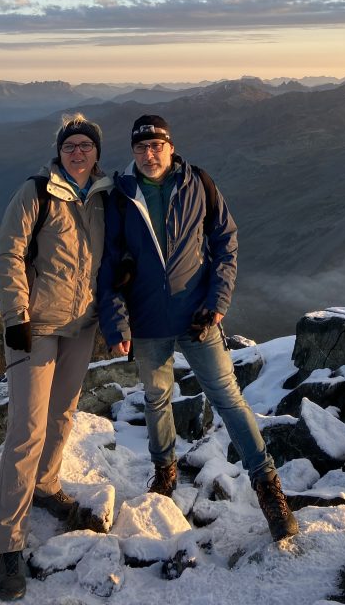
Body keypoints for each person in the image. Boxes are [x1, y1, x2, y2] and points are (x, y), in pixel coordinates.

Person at [97, 114, 298, 542]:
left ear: (170, 147)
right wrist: (116, 324)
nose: (149, 155)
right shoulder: (120, 195)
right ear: (132, 152)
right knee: (156, 399)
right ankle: (165, 472)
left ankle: (268, 486)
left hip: (197, 317)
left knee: (228, 399)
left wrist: (218, 301)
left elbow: (226, 240)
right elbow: (109, 266)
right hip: (147, 321)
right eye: (141, 147)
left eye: (156, 146)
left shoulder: (198, 183)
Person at [0, 114, 113, 601]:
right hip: (35, 326)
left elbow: (114, 256)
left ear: (96, 152)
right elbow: (7, 253)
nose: (77, 152)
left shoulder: (104, 196)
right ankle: (8, 545)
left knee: (63, 413)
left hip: (81, 325)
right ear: (59, 152)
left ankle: (45, 483)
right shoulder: (36, 192)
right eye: (70, 146)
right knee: (27, 429)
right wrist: (15, 316)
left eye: (85, 145)